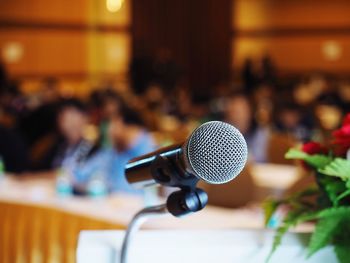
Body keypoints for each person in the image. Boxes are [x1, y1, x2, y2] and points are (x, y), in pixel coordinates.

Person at [105, 101, 156, 193]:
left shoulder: (143, 140)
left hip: (135, 200)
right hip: (114, 197)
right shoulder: (118, 146)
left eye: (113, 121)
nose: (110, 127)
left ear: (120, 121)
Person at [224, 92, 270, 163]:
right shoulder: (223, 131)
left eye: (240, 111)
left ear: (250, 111)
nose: (237, 115)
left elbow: (259, 157)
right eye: (234, 111)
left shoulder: (260, 132)